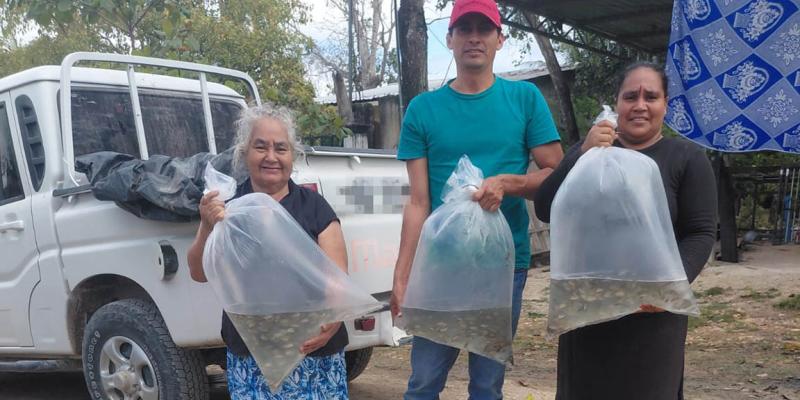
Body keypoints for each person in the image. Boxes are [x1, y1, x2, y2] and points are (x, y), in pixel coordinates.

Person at [390, 0, 564, 398]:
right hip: (440, 265)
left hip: (503, 263)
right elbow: (418, 202)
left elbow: (555, 172)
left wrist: (507, 183)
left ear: (499, 39)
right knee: (423, 381)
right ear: (449, 39)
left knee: (487, 384)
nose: (473, 37)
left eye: (483, 29)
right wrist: (402, 277)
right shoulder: (423, 109)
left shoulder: (524, 99)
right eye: (463, 28)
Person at [534, 62, 718, 400]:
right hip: (588, 310)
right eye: (630, 96)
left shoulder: (686, 158)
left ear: (665, 104)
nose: (640, 105)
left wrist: (667, 289)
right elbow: (546, 207)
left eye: (651, 96)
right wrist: (581, 151)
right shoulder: (594, 157)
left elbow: (701, 231)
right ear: (617, 103)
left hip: (652, 316)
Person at [187, 103, 350, 399]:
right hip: (252, 355)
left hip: (313, 353)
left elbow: (337, 278)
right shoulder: (227, 208)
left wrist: (333, 321)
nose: (271, 157)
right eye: (261, 147)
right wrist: (207, 225)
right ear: (244, 152)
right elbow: (198, 273)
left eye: (281, 148)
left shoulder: (314, 208)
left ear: (293, 155)